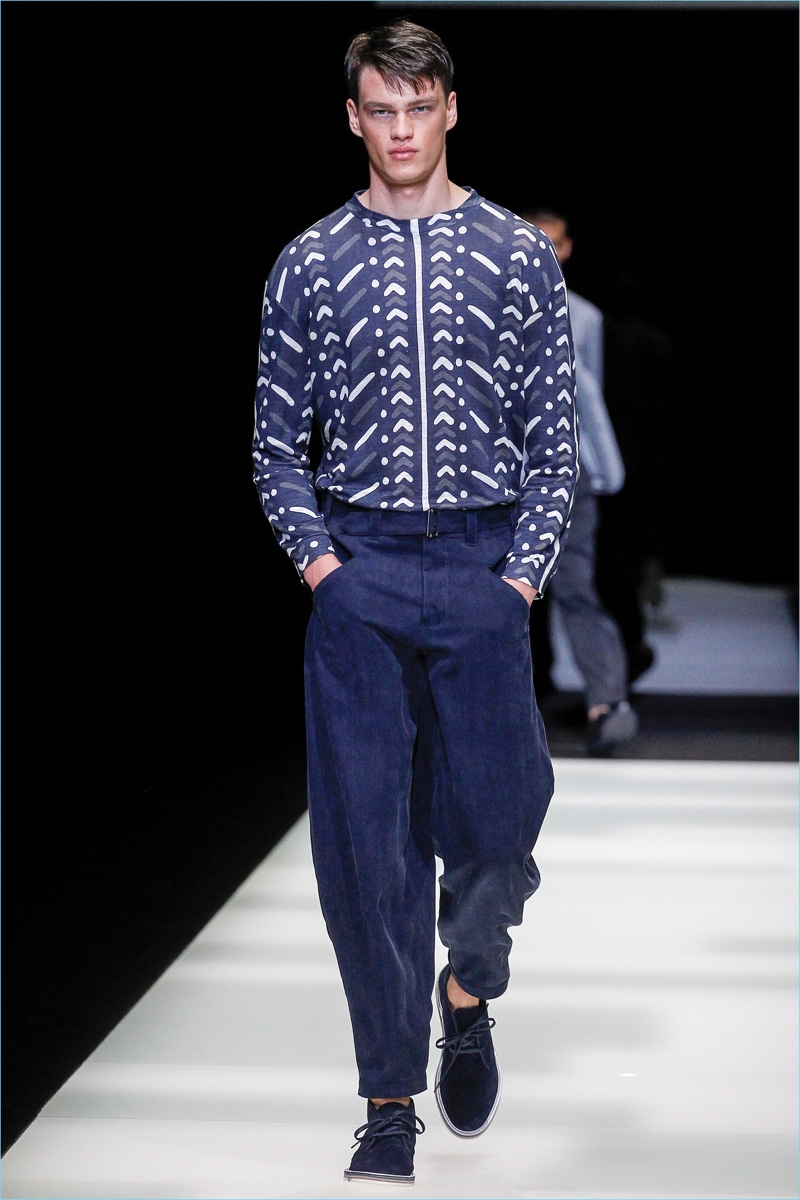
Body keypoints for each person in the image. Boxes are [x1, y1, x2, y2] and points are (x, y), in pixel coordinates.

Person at [252, 20, 578, 1185]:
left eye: (418, 107)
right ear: (353, 118)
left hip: (483, 567)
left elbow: (553, 444)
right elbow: (273, 446)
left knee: (500, 825)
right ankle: (387, 1102)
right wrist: (324, 572)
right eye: (380, 110)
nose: (400, 129)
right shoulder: (307, 262)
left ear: (449, 110)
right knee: (368, 852)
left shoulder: (515, 255)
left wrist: (519, 578)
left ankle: (468, 987)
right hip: (363, 571)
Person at [521, 207, 640, 756]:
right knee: (498, 596)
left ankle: (606, 702)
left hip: (569, 471)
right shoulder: (479, 306)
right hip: (501, 474)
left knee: (574, 586)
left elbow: (584, 394)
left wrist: (604, 465)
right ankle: (494, 710)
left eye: (553, 243)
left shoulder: (585, 316)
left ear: (567, 248)